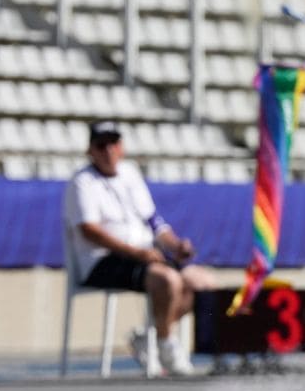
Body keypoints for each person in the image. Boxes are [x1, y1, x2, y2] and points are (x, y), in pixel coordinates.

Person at [62, 122, 214, 375]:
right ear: (90, 150)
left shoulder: (130, 173)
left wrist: (175, 245)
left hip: (145, 254)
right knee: (168, 280)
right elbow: (89, 230)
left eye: (114, 143)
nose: (108, 150)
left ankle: (150, 337)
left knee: (203, 283)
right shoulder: (82, 182)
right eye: (101, 145)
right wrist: (136, 253)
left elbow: (153, 220)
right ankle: (166, 347)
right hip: (103, 260)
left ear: (121, 147)